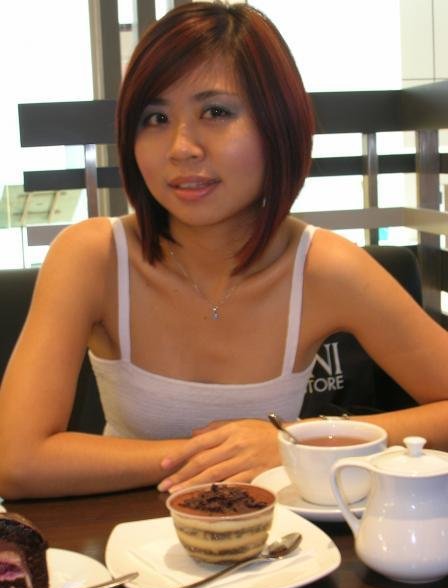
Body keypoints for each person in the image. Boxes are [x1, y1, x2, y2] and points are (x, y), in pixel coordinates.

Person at [1, 1, 447, 500]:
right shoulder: (92, 257)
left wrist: (297, 441)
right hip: (124, 535)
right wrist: (221, 454)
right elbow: (16, 460)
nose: (181, 147)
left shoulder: (325, 267)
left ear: (277, 125)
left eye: (216, 112)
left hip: (281, 539)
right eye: (155, 117)